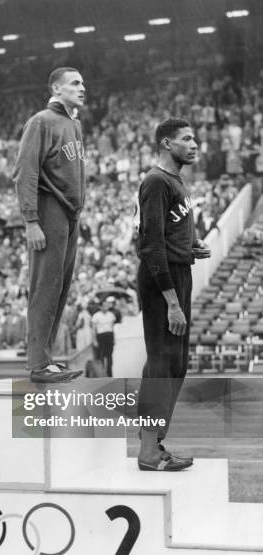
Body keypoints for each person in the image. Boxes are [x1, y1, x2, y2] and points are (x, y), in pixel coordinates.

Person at [136, 117, 211, 471]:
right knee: (162, 364)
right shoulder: (155, 181)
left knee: (177, 365)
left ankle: (156, 441)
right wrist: (172, 303)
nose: (194, 144)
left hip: (179, 273)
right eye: (187, 138)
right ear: (167, 144)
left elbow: (167, 235)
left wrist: (189, 247)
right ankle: (148, 451)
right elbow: (150, 245)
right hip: (160, 284)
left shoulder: (175, 181)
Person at [13, 67, 86, 383]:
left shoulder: (74, 124)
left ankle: (47, 357)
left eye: (82, 82)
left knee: (60, 287)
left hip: (71, 214)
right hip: (49, 209)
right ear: (56, 88)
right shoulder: (41, 121)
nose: (82, 87)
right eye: (74, 83)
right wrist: (31, 220)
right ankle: (37, 362)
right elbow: (25, 172)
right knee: (45, 287)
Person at [91, 301, 116, 377]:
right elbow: (93, 329)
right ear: (100, 307)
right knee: (101, 355)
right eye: (104, 306)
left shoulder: (111, 315)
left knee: (110, 355)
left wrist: (114, 338)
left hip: (109, 335)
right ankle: (101, 373)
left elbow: (113, 327)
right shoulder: (96, 316)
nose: (106, 307)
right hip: (101, 336)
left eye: (107, 306)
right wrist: (94, 340)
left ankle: (110, 372)